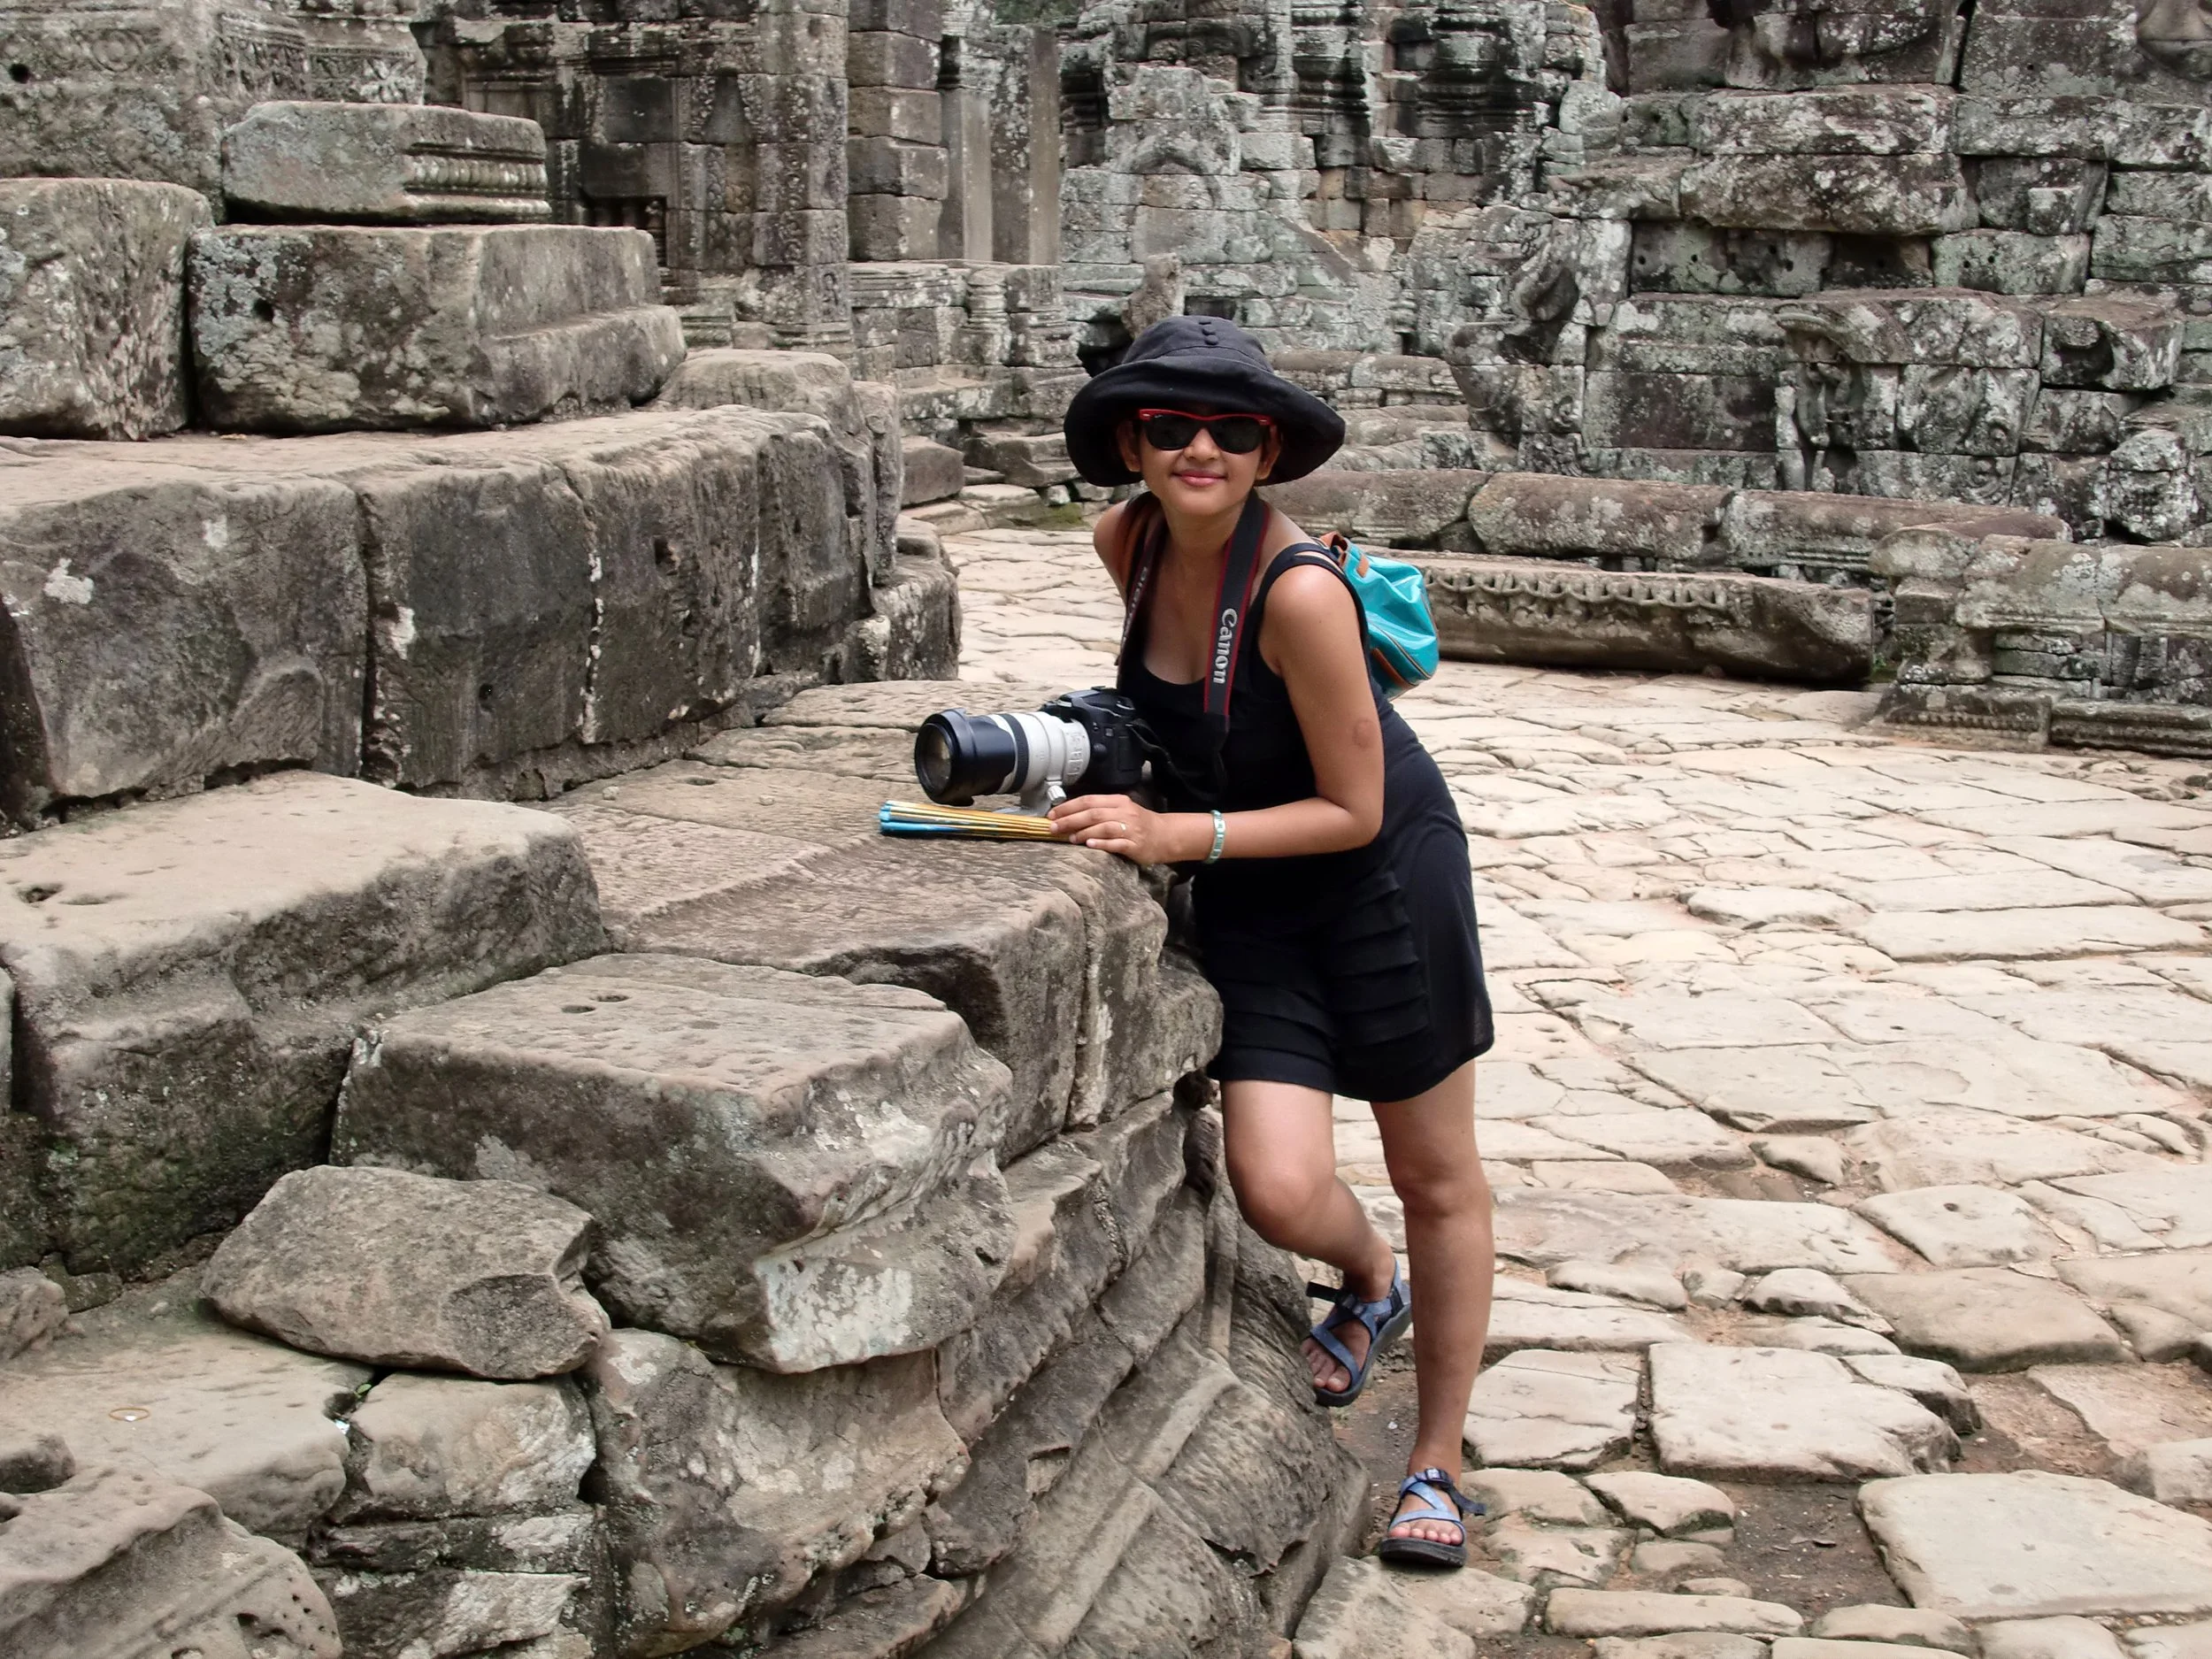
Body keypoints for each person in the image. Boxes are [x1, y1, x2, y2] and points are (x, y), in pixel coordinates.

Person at [1048, 316, 1497, 1570]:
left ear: (1267, 453)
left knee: (1436, 1172)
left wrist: (1176, 831)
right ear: (1132, 439)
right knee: (1283, 1183)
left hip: (1379, 881)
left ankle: (1437, 1460)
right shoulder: (1125, 542)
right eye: (1172, 426)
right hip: (1248, 875)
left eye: (1232, 431)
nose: (1201, 448)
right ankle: (1370, 1282)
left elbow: (1355, 804)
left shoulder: (1299, 594)